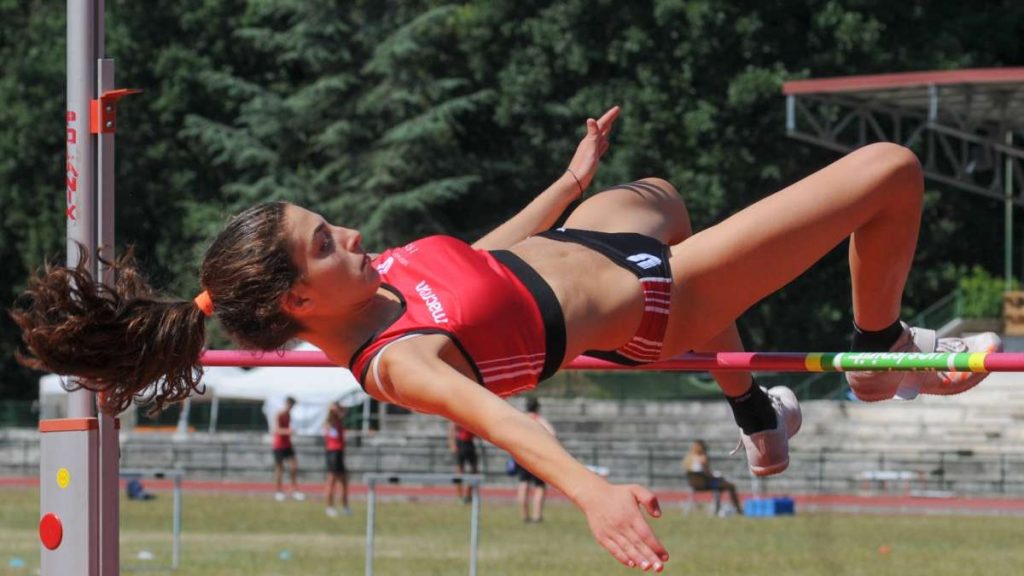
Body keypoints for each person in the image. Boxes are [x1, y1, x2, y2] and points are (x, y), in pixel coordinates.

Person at [13, 105, 1002, 572]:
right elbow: (504, 424)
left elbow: (479, 261)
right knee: (887, 170)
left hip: (593, 242)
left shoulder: (384, 282)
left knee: (663, 193)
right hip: (658, 308)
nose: (349, 231)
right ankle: (880, 355)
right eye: (328, 242)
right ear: (299, 302)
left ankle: (750, 404)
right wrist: (593, 492)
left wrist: (572, 181)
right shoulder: (398, 363)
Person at [516, 398, 556, 523]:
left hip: (521, 454)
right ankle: (537, 515)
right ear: (537, 408)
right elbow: (552, 433)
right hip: (536, 456)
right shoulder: (539, 419)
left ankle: (524, 515)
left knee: (523, 483)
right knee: (539, 486)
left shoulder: (520, 419)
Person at [682, 440, 743, 516]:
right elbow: (708, 474)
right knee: (730, 486)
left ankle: (717, 507)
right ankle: (738, 510)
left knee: (720, 485)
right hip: (705, 484)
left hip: (693, 484)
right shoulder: (703, 458)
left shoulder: (688, 459)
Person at [272, 396, 304, 502]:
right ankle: (278, 491)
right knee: (280, 469)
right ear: (286, 403)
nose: (291, 407)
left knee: (294, 466)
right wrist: (288, 431)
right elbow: (277, 430)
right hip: (279, 445)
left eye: (293, 405)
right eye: (290, 405)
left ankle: (294, 490)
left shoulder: (289, 415)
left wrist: (289, 433)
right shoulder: (279, 414)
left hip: (287, 445)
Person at [323, 401, 351, 517]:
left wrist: (339, 408)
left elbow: (345, 412)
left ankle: (345, 506)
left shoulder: (339, 421)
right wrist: (332, 409)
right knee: (332, 481)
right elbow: (329, 422)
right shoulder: (329, 421)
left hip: (339, 452)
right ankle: (329, 507)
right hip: (332, 453)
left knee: (344, 481)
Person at [448, 421, 479, 503]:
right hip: (461, 443)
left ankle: (468, 495)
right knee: (459, 471)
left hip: (470, 443)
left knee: (474, 470)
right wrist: (452, 444)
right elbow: (452, 427)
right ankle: (459, 496)